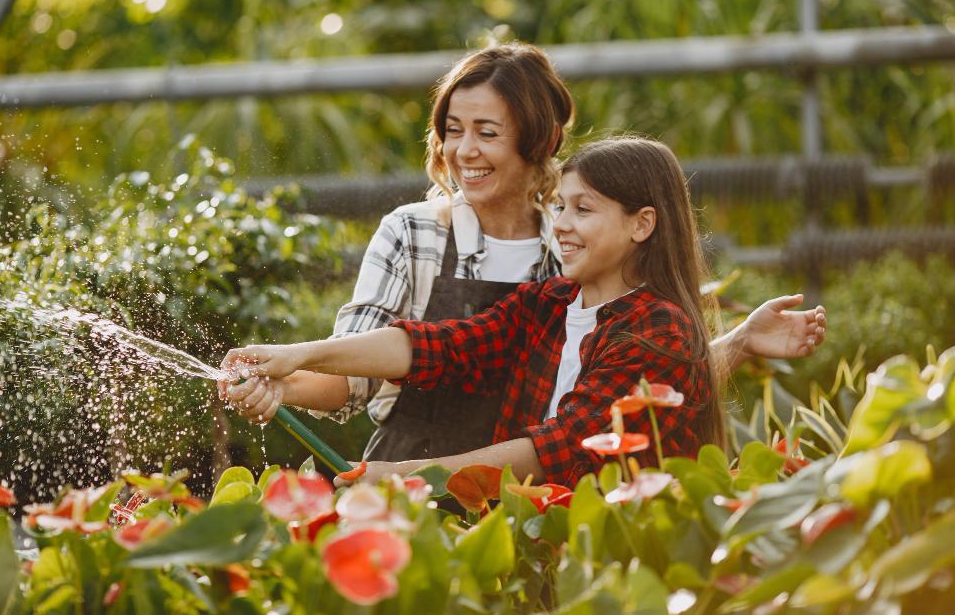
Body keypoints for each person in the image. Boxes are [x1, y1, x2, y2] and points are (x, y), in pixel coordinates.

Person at [218, 43, 826, 464]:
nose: (464, 151)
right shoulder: (414, 234)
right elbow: (370, 371)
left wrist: (739, 341)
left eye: (488, 132)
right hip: (410, 472)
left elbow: (620, 396)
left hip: (523, 486)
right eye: (453, 130)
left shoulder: (569, 257)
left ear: (538, 139)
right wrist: (282, 381)